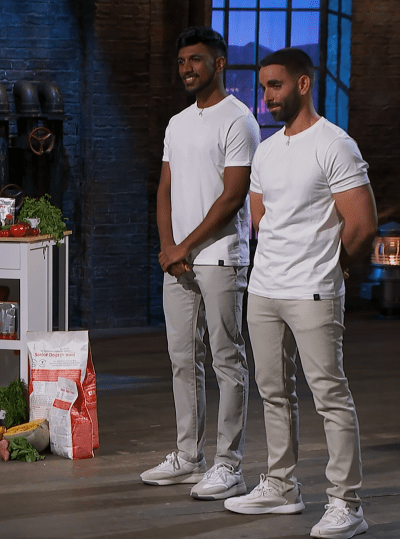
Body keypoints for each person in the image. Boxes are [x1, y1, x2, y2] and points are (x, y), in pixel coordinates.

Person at [222, 48, 377, 539]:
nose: (267, 96)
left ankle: (346, 504)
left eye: (276, 86)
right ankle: (282, 485)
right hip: (265, 291)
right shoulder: (266, 152)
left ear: (303, 85)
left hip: (314, 291)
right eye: (264, 86)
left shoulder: (336, 145)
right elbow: (264, 221)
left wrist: (335, 264)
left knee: (330, 396)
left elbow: (363, 225)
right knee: (273, 392)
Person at [140, 26, 259, 502]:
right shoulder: (177, 123)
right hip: (181, 259)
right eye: (183, 61)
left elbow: (232, 198)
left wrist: (183, 247)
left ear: (219, 63)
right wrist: (169, 247)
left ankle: (229, 465)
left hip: (220, 257)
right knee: (182, 359)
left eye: (196, 60)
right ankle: (190, 457)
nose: (187, 68)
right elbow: (165, 189)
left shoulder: (239, 121)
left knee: (227, 359)